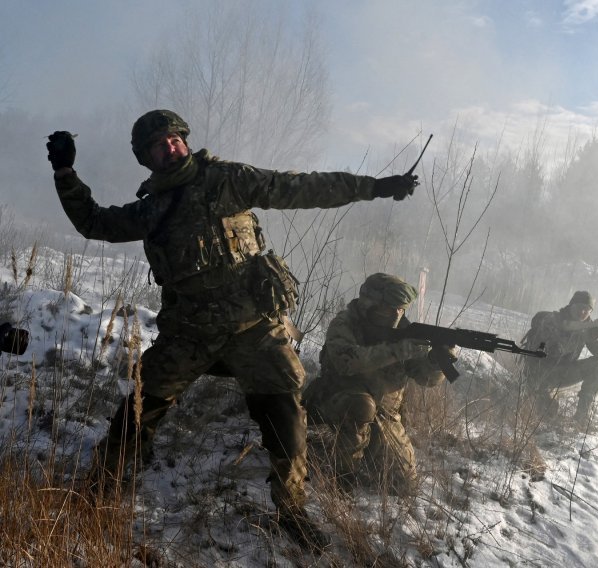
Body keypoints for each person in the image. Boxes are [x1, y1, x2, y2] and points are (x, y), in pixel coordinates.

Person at [45, 110, 418, 549]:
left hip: (253, 328)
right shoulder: (152, 209)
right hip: (190, 331)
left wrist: (375, 188)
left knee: (286, 418)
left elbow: (300, 188)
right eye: (157, 146)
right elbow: (95, 222)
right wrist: (65, 172)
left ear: (184, 140)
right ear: (146, 158)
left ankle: (292, 509)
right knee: (139, 407)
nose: (169, 148)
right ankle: (99, 487)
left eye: (173, 140)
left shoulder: (226, 180)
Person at [302, 273, 454, 496]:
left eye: (400, 309)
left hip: (384, 413)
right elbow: (346, 363)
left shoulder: (406, 332)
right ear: (368, 304)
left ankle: (362, 448)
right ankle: (341, 480)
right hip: (335, 399)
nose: (396, 314)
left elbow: (425, 378)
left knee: (403, 484)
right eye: (389, 308)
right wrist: (395, 351)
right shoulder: (345, 323)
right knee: (361, 405)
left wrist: (437, 362)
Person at [520, 291, 598, 427]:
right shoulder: (551, 320)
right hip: (538, 374)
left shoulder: (588, 328)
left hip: (562, 373)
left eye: (588, 309)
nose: (583, 312)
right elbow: (552, 351)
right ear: (571, 306)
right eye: (580, 307)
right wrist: (579, 335)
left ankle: (581, 419)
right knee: (548, 414)